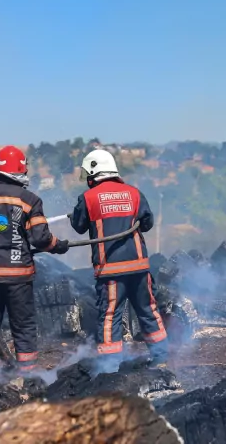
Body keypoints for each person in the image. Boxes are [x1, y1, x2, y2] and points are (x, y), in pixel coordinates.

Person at [0, 145, 70, 377]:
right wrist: (59, 246)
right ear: (21, 171)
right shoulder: (30, 200)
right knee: (23, 327)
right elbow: (41, 239)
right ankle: (27, 377)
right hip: (18, 277)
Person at [69, 149, 169, 368]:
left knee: (110, 315)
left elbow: (78, 227)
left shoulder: (88, 198)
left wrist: (77, 214)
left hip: (111, 270)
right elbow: (147, 223)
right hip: (139, 268)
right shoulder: (134, 193)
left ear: (94, 172)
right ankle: (161, 358)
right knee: (148, 309)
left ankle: (110, 365)